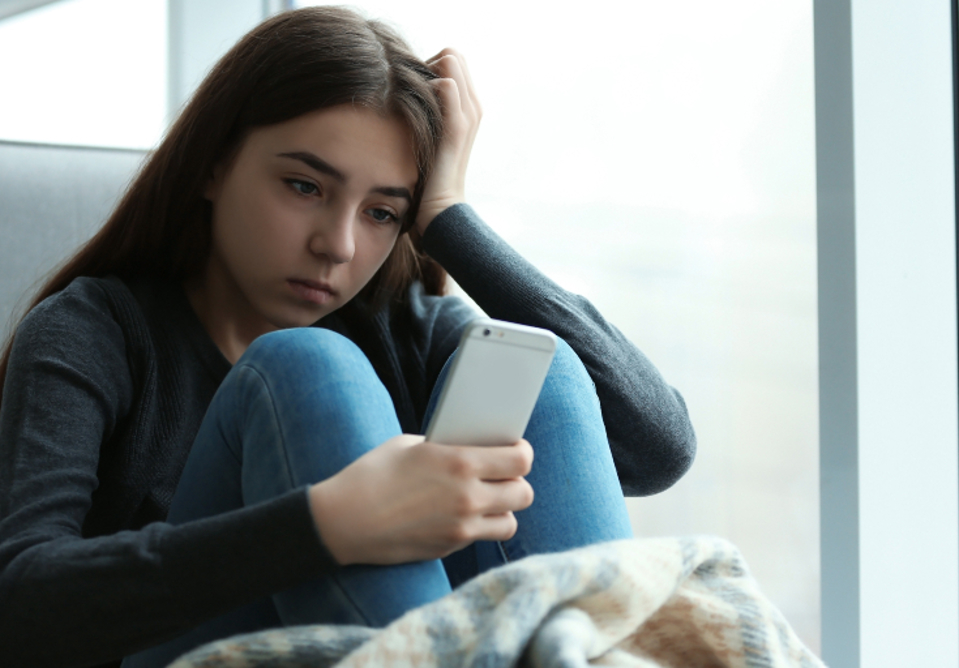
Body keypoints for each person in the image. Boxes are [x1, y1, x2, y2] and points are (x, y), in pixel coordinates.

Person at [0, 6, 696, 668]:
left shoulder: (402, 333)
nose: (337, 245)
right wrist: (326, 524)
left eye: (382, 213)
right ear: (213, 163)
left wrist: (450, 220)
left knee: (535, 361)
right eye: (304, 186)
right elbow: (19, 604)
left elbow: (657, 448)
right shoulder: (93, 331)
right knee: (305, 368)